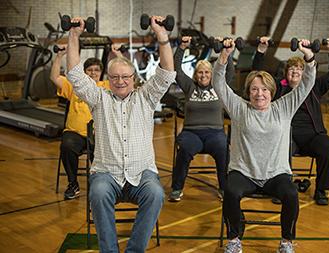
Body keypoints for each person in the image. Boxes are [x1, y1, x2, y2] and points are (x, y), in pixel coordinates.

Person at [65, 16, 175, 252]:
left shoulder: (146, 97)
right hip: (107, 173)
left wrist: (161, 35)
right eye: (114, 77)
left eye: (125, 77)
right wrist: (74, 35)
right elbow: (74, 73)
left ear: (133, 79)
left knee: (156, 193)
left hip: (141, 174)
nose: (120, 81)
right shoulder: (99, 99)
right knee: (98, 191)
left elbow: (166, 73)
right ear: (108, 79)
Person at [213, 38, 316, 253]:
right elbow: (218, 83)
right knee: (230, 191)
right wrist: (224, 56)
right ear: (249, 91)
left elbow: (307, 83)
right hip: (244, 172)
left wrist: (309, 57)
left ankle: (286, 242)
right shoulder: (239, 108)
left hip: (276, 173)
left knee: (291, 194)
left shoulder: (284, 107)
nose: (259, 94)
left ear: (271, 91)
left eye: (264, 90)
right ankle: (233, 240)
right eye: (254, 90)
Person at [252, 37, 329, 205]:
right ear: (286, 73)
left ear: (304, 73)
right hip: (287, 135)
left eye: (299, 70)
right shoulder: (278, 88)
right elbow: (258, 73)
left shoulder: (314, 86)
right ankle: (282, 188)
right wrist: (261, 50)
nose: (295, 72)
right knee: (281, 149)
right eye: (292, 69)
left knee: (327, 149)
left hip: (312, 135)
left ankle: (321, 190)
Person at [168, 36, 234, 202]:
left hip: (215, 133)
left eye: (206, 72)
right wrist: (182, 48)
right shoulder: (190, 86)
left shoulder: (219, 86)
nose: (203, 75)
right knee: (184, 150)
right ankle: (177, 188)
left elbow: (230, 71)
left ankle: (224, 188)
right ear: (195, 75)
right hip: (192, 133)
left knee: (223, 150)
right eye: (200, 72)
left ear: (211, 74)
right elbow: (177, 69)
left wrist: (228, 52)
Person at [50, 47, 109, 200]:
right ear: (84, 73)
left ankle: (102, 187)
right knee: (67, 145)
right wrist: (59, 56)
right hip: (75, 133)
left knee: (107, 151)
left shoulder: (107, 87)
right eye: (89, 70)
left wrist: (118, 55)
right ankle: (73, 184)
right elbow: (55, 77)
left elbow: (129, 78)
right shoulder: (75, 87)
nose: (93, 72)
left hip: (99, 134)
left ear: (101, 73)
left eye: (97, 70)